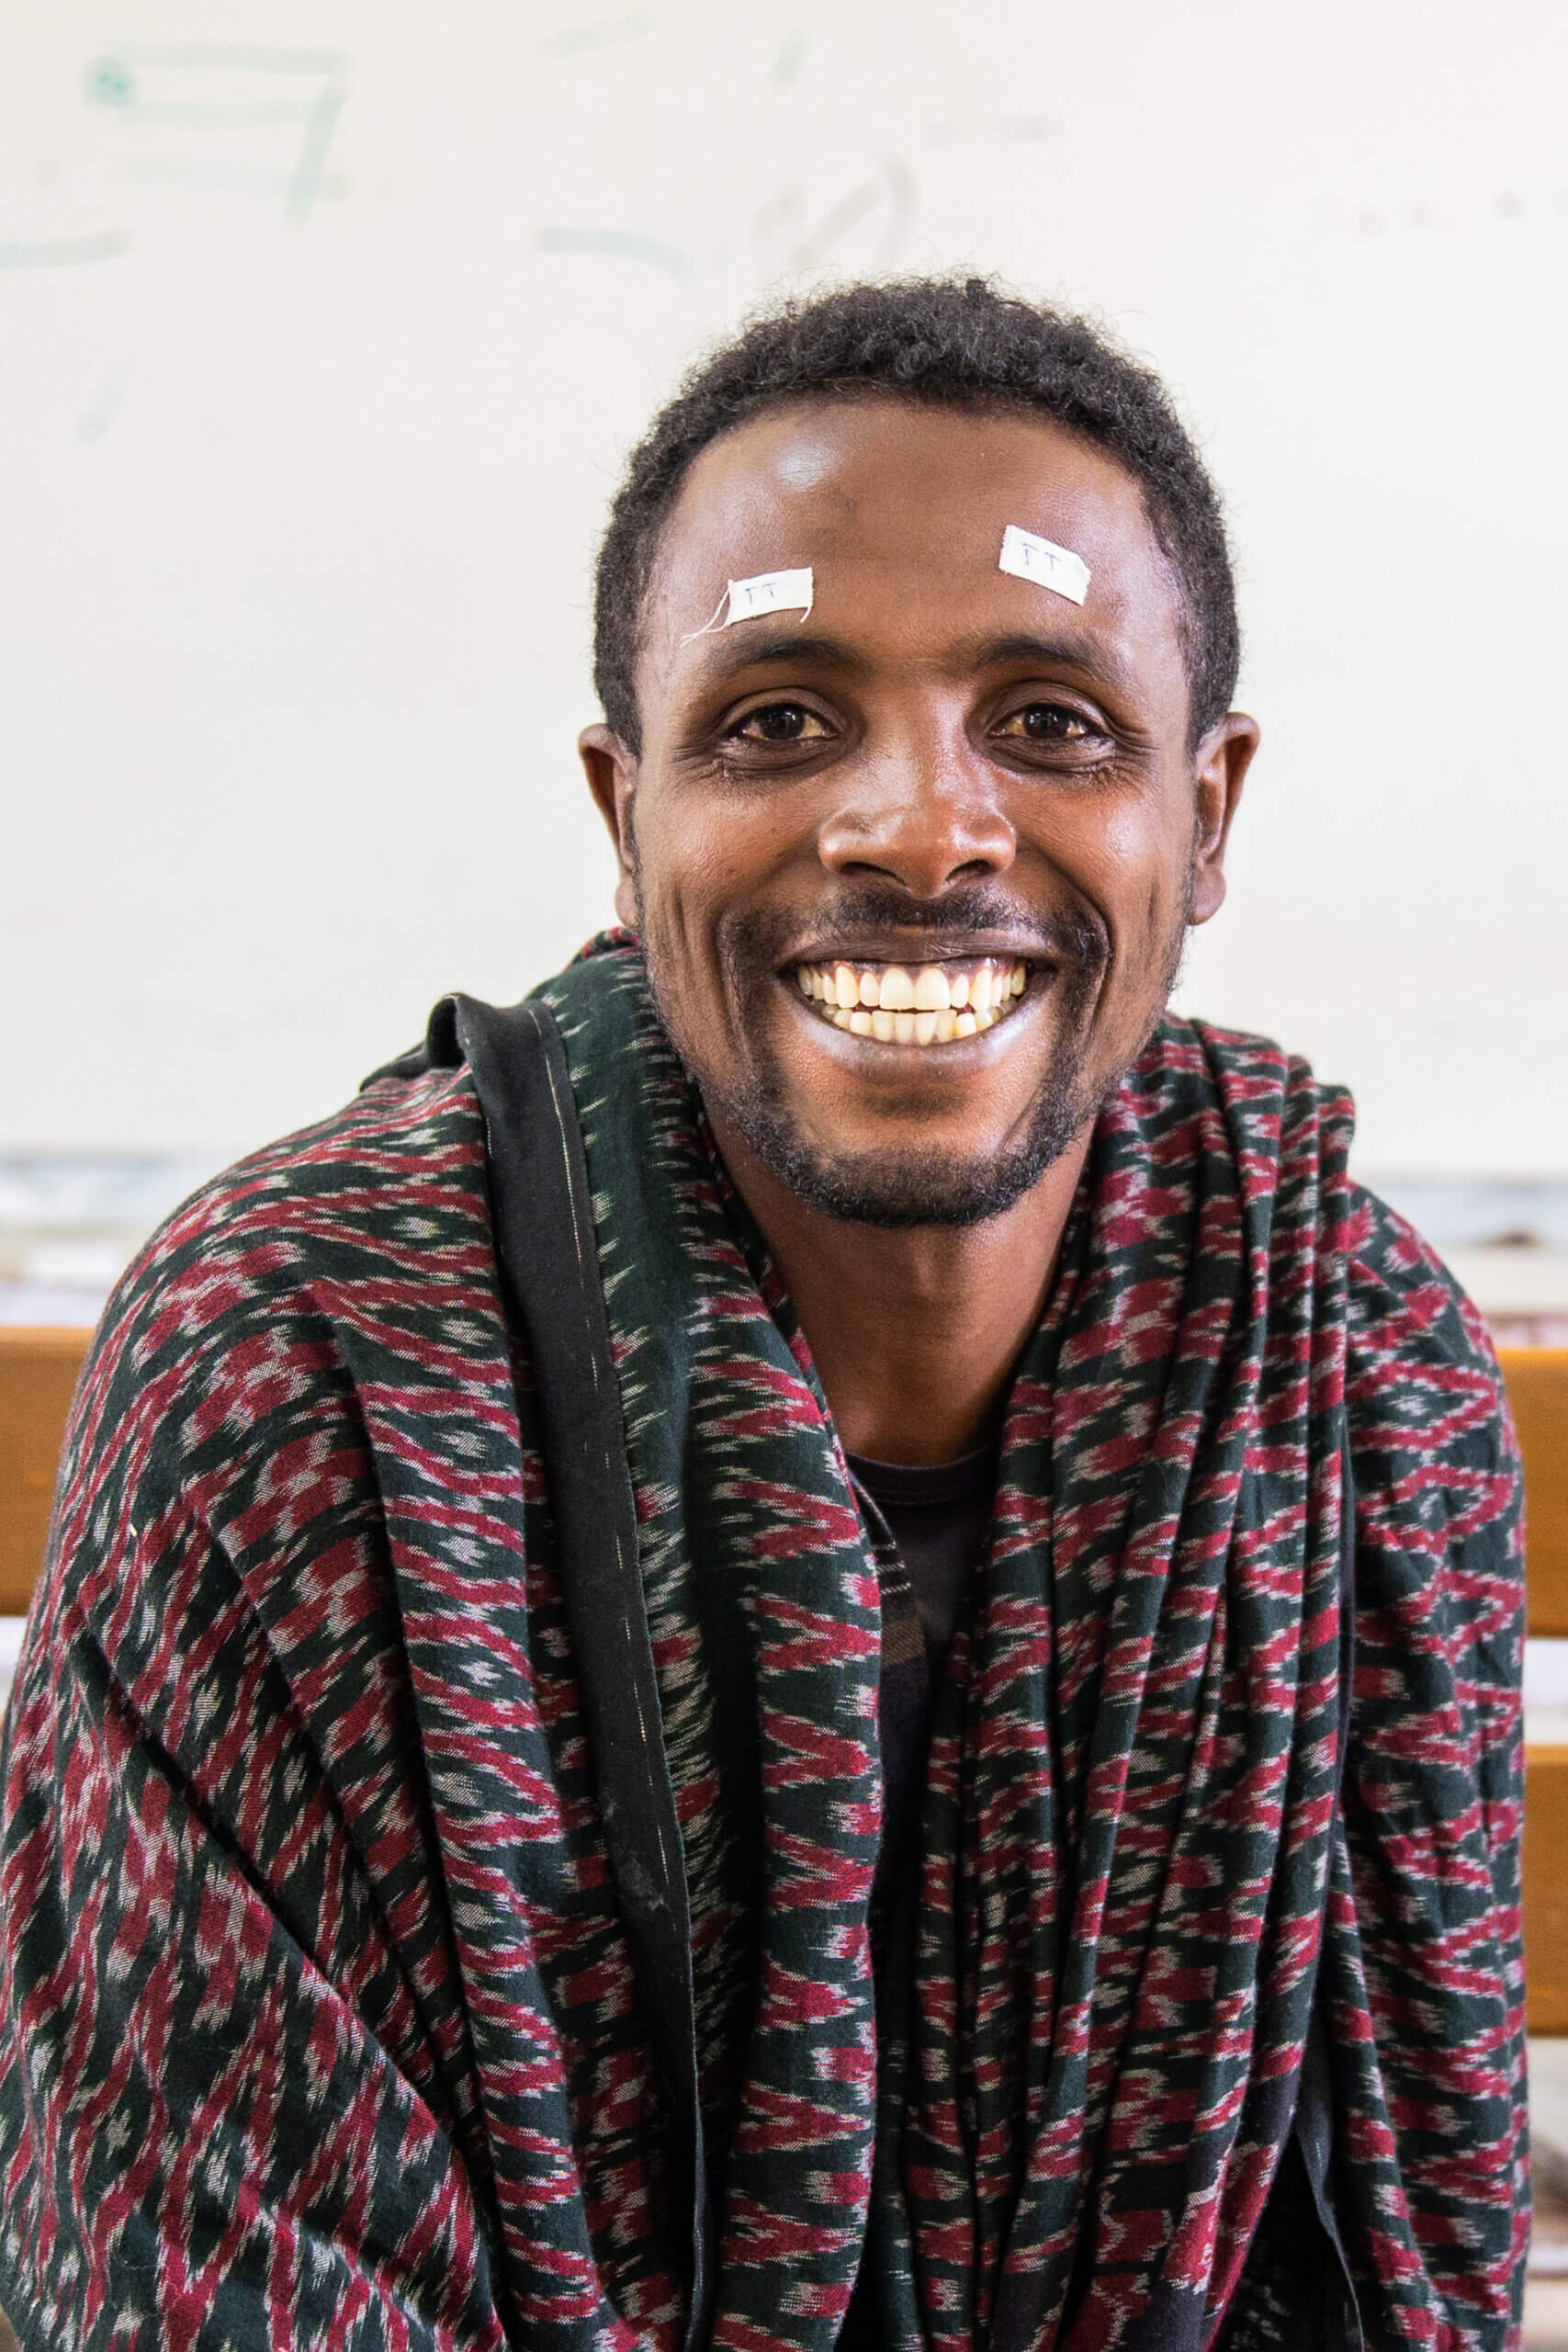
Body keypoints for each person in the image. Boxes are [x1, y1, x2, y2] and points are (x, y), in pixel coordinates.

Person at [0, 278, 1528, 2351]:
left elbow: (1406, 2248)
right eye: (776, 718)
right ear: (627, 821)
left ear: (1208, 809)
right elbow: (201, 2265)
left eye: (1051, 720)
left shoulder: (1345, 1368)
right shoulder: (303, 1362)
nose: (916, 824)